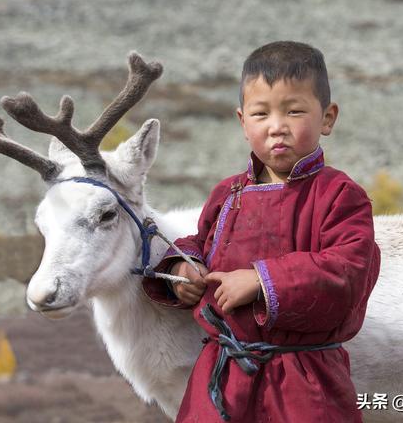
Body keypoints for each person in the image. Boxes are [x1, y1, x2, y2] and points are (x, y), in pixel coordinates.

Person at [142, 40, 381, 422]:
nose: (276, 127)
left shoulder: (340, 195)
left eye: (295, 110)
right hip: (222, 378)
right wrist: (183, 272)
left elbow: (348, 271)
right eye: (260, 113)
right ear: (242, 121)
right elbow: (199, 246)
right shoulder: (228, 194)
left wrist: (260, 279)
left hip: (304, 381)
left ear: (327, 118)